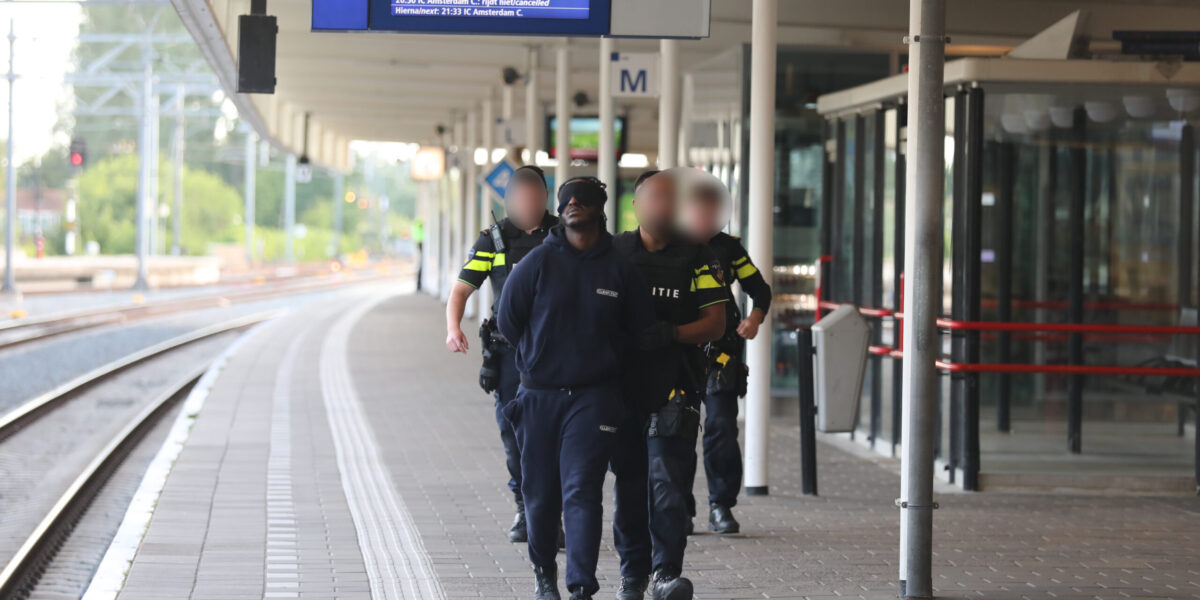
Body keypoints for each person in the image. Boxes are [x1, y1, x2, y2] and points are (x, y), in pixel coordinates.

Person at [496, 177, 655, 600]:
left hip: (594, 398)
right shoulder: (536, 264)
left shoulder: (620, 270)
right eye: (566, 199)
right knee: (541, 495)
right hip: (539, 396)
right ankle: (544, 573)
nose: (572, 205)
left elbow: (640, 329)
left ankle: (581, 586)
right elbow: (508, 323)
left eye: (582, 200)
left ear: (600, 210)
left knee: (582, 489)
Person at [611, 169, 727, 600]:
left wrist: (672, 334)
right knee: (629, 485)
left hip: (675, 388)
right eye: (652, 199)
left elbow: (716, 322)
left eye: (668, 199)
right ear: (637, 206)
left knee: (666, 482)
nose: (661, 206)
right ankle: (632, 575)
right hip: (620, 390)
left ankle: (664, 574)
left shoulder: (697, 255)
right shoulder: (615, 253)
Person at [445, 165, 557, 542]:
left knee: (554, 437)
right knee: (514, 435)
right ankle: (525, 509)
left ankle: (550, 516)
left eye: (534, 198)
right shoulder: (493, 241)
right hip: (509, 355)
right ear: (508, 201)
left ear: (545, 198)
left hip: (556, 354)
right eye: (520, 199)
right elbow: (461, 290)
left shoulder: (564, 235)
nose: (528, 205)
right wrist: (452, 328)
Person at [680, 174, 772, 535]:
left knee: (720, 428)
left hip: (721, 355)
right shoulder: (668, 244)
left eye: (710, 214)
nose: (704, 221)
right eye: (697, 214)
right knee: (678, 431)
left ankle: (721, 506)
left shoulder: (729, 248)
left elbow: (759, 289)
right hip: (681, 353)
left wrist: (754, 318)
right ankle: (681, 508)